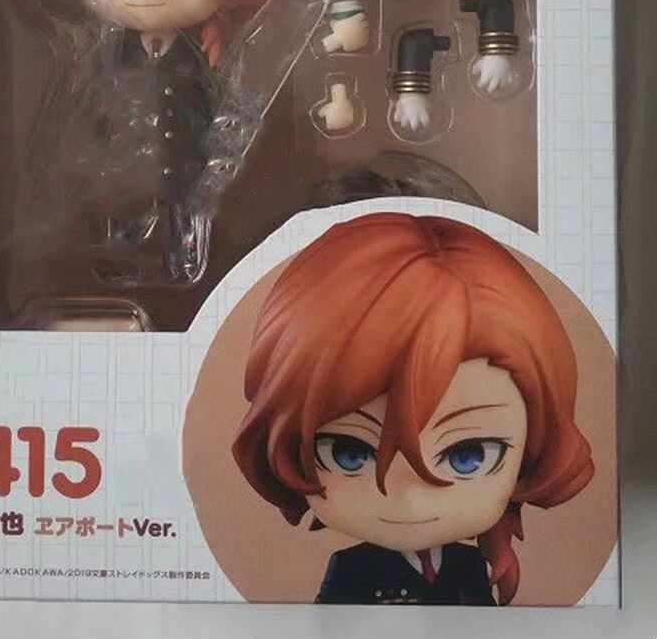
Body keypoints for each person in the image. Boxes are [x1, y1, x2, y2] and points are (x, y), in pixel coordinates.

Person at [232, 212, 594, 605]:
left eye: (468, 456)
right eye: (348, 453)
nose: (406, 495)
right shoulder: (351, 568)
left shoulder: (469, 565)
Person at [63, 0, 277, 284]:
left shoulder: (200, 54)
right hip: (127, 165)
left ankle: (184, 257)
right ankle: (121, 258)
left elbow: (218, 101)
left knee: (184, 217)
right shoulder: (113, 54)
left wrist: (230, 130)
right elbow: (94, 104)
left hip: (184, 160)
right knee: (126, 216)